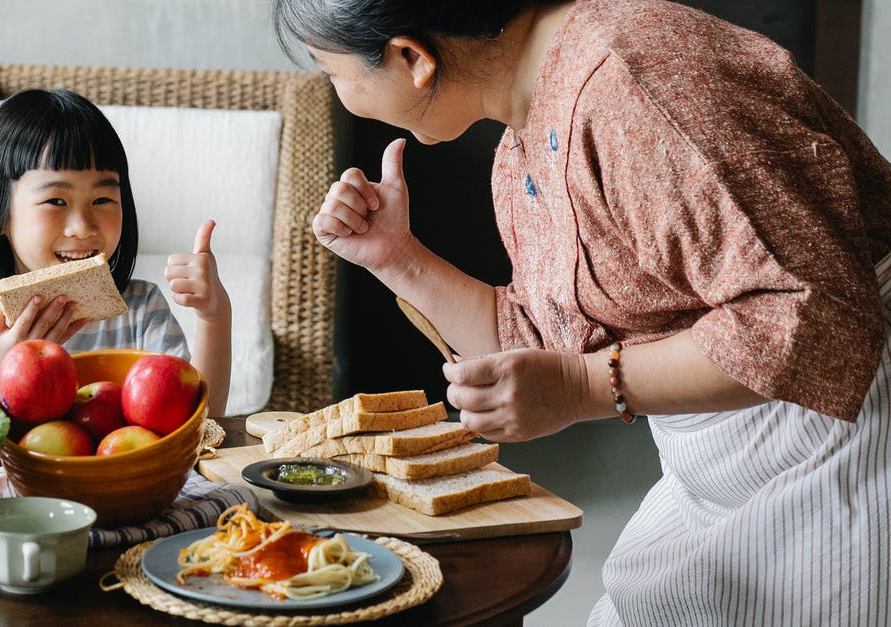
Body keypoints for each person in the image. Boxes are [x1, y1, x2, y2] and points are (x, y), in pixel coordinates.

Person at [272, 0, 891, 624]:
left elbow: (818, 324)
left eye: (333, 71)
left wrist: (580, 387)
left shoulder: (635, 84)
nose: (341, 95)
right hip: (735, 445)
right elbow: (544, 338)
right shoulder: (528, 117)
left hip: (848, 428)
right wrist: (397, 258)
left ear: (413, 59)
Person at [0, 88, 231, 418]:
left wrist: (214, 316)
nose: (82, 226)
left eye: (102, 200)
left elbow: (201, 427)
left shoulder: (140, 312)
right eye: (56, 201)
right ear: (0, 214)